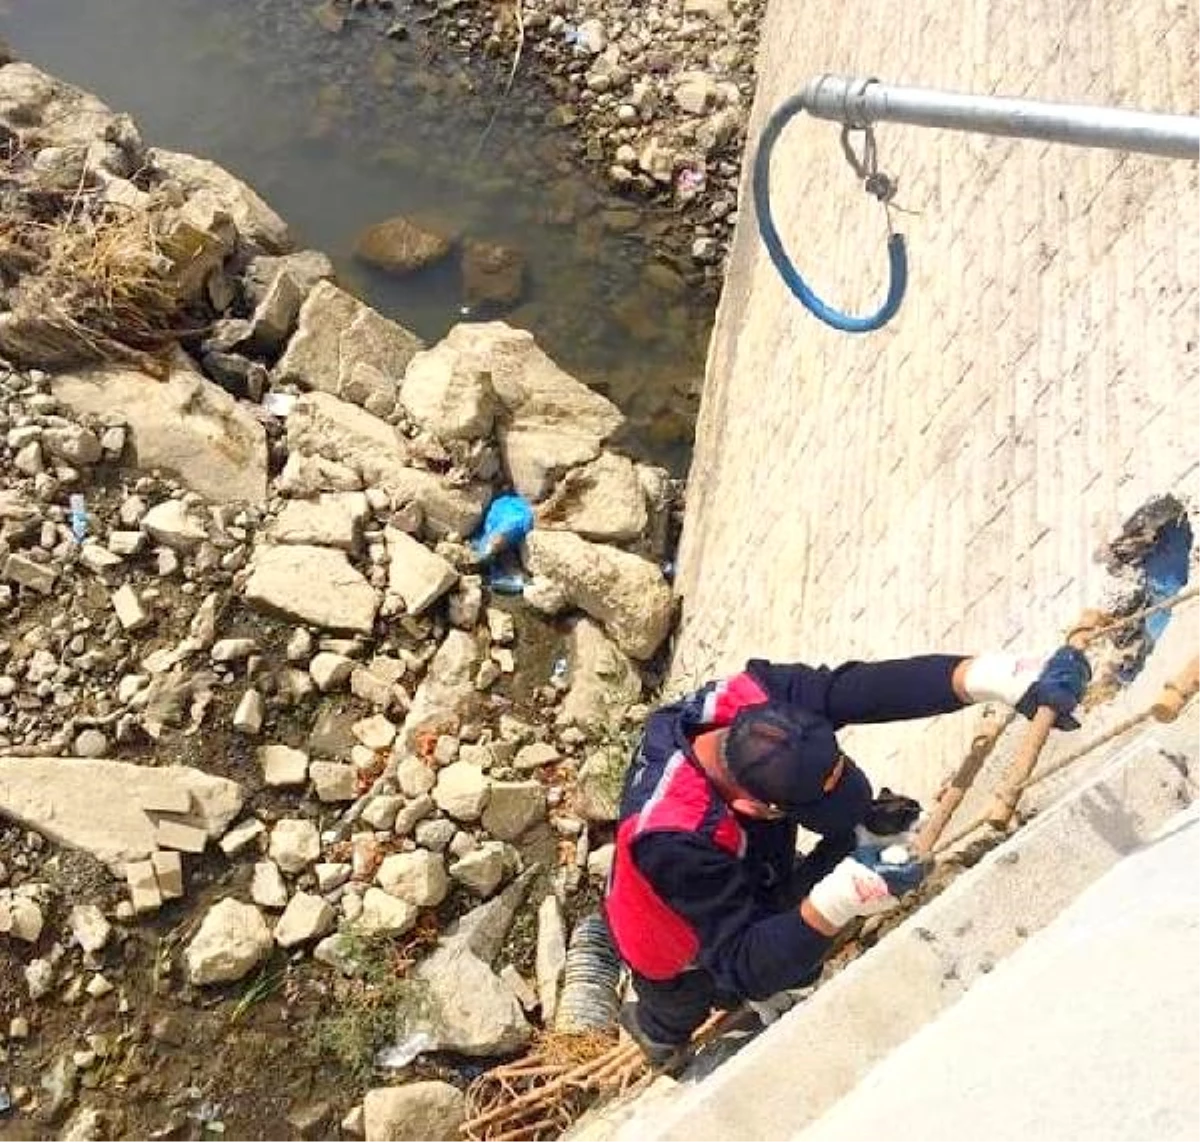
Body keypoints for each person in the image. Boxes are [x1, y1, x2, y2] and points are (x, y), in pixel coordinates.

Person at [603, 647, 1090, 1063]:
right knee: (689, 998)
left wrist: (996, 676)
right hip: (668, 940)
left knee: (829, 874)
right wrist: (842, 898)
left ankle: (804, 907)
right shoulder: (673, 839)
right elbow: (742, 961)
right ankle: (659, 1036)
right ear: (753, 806)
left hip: (744, 860)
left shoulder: (758, 701)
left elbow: (863, 688)